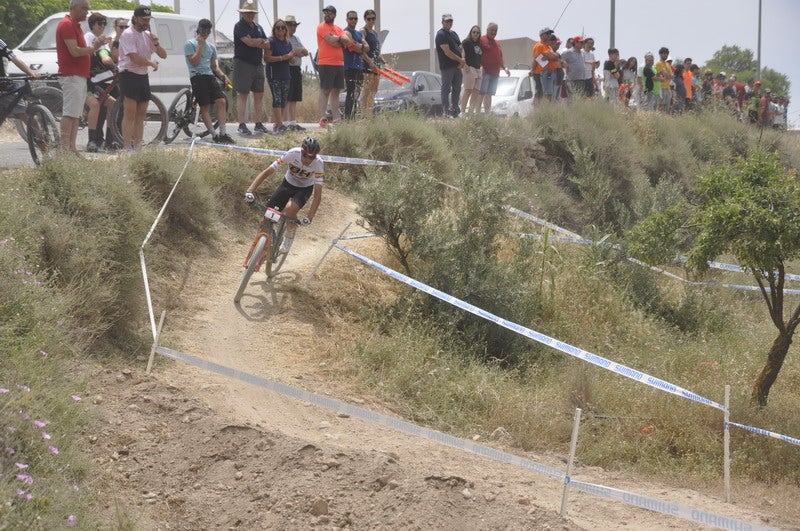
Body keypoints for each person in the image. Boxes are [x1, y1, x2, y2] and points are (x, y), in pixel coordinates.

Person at [244, 137, 324, 255]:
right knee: (267, 217)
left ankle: (289, 235)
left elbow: (317, 195)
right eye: (305, 155)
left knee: (290, 210)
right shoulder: (292, 153)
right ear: (301, 151)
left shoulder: (318, 163)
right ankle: (260, 247)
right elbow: (267, 172)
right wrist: (250, 190)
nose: (307, 159)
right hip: (287, 184)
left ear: (315, 156)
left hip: (304, 189)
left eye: (311, 157)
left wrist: (309, 217)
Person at [56, 0, 107, 153]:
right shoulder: (67, 24)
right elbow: (75, 51)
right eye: (84, 8)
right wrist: (94, 47)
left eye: (87, 9)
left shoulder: (75, 25)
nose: (86, 12)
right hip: (71, 74)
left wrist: (94, 47)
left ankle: (72, 149)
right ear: (74, 7)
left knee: (76, 115)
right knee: (69, 114)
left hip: (79, 75)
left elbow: (81, 51)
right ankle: (65, 150)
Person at [118, 6, 166, 152]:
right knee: (130, 113)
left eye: (148, 19)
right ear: (136, 18)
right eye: (144, 19)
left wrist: (156, 43)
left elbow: (163, 55)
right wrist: (151, 63)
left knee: (141, 114)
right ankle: (127, 147)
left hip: (142, 75)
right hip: (128, 74)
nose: (146, 22)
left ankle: (138, 147)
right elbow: (134, 58)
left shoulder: (148, 35)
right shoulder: (128, 34)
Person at [184, 18, 234, 143]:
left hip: (209, 76)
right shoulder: (189, 44)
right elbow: (194, 62)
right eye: (203, 31)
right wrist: (200, 46)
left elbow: (214, 67)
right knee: (205, 106)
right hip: (197, 76)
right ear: (198, 30)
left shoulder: (211, 47)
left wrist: (223, 76)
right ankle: (214, 134)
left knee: (221, 101)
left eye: (208, 31)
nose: (205, 33)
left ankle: (223, 133)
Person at [233, 2, 269, 136]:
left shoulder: (258, 27)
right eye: (247, 12)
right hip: (243, 63)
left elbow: (267, 44)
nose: (250, 15)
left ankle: (258, 123)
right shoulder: (239, 26)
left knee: (259, 94)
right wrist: (258, 41)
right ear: (242, 13)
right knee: (243, 94)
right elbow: (249, 43)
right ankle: (241, 124)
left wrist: (256, 41)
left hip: (257, 63)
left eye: (252, 13)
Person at [84, 12, 116, 152]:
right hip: (87, 80)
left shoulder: (104, 43)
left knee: (113, 105)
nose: (102, 26)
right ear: (92, 25)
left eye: (104, 24)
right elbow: (90, 53)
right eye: (99, 23)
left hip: (98, 81)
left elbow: (107, 57)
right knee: (95, 105)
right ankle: (91, 141)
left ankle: (109, 139)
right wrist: (100, 47)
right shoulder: (89, 36)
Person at [316, 5, 352, 127]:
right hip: (326, 62)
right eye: (326, 12)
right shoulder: (321, 27)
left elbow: (347, 42)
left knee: (336, 91)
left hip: (339, 63)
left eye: (330, 13)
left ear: (334, 15)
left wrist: (339, 40)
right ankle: (322, 117)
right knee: (325, 90)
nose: (327, 14)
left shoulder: (338, 28)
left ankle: (336, 118)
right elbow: (331, 41)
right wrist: (340, 40)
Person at [264, 19, 295, 133]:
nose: (280, 29)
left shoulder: (287, 43)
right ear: (274, 29)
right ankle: (280, 123)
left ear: (285, 30)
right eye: (278, 27)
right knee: (277, 99)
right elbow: (266, 58)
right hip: (274, 74)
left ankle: (278, 124)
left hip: (285, 74)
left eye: (283, 27)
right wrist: (283, 57)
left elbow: (291, 60)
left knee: (283, 100)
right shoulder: (271, 41)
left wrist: (292, 56)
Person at [0, 38, 41, 122]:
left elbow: (15, 59)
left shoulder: (0, 44)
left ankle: (39, 131)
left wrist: (31, 72)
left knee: (24, 113)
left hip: (4, 85)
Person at [435, 13, 464, 118]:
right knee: (446, 89)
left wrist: (462, 60)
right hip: (447, 67)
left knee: (457, 89)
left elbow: (460, 47)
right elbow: (447, 52)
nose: (449, 23)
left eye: (450, 21)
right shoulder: (441, 34)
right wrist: (461, 60)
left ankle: (455, 111)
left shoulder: (454, 33)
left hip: (457, 66)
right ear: (442, 22)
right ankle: (446, 112)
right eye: (447, 21)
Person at [478, 22, 509, 113]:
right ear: (487, 30)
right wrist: (480, 66)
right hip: (485, 72)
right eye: (492, 30)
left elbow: (500, 58)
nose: (494, 32)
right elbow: (476, 54)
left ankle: (487, 114)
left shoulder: (497, 43)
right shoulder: (481, 40)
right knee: (481, 93)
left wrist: (505, 68)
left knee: (489, 94)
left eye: (495, 30)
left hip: (495, 73)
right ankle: (477, 114)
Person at [342, 11, 368, 120]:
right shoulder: (345, 32)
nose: (353, 20)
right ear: (347, 19)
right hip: (349, 67)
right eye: (351, 18)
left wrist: (359, 47)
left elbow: (367, 48)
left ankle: (352, 117)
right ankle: (348, 118)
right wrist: (361, 47)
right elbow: (352, 46)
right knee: (350, 93)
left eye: (355, 18)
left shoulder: (358, 33)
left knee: (356, 94)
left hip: (359, 67)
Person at [284, 15, 308, 131]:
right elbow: (287, 53)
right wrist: (297, 52)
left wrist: (295, 52)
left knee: (294, 97)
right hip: (286, 69)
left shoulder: (296, 39)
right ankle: (285, 123)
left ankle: (293, 122)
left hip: (296, 69)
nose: (293, 27)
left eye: (294, 25)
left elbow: (305, 52)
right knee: (287, 97)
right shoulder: (283, 39)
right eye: (290, 25)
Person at [360, 9, 385, 117]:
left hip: (377, 65)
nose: (371, 21)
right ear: (365, 19)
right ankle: (363, 114)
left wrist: (384, 62)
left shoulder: (374, 33)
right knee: (367, 89)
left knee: (374, 90)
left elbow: (377, 51)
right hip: (367, 64)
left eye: (373, 19)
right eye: (369, 19)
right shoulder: (363, 31)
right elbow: (361, 50)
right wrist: (369, 61)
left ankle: (369, 113)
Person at [531, 27, 559, 101]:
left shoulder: (548, 46)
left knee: (548, 93)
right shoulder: (540, 45)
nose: (549, 35)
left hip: (549, 72)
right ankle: (539, 107)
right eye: (547, 33)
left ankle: (545, 106)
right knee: (541, 93)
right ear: (541, 35)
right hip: (540, 73)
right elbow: (538, 59)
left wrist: (551, 56)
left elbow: (556, 56)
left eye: (550, 33)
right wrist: (551, 56)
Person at [460, 25, 482, 114]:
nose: (475, 34)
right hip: (469, 68)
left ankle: (470, 113)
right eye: (474, 32)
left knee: (476, 91)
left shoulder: (479, 43)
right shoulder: (466, 42)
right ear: (470, 32)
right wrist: (464, 65)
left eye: (477, 32)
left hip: (478, 69)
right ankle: (462, 112)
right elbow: (462, 53)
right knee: (468, 90)